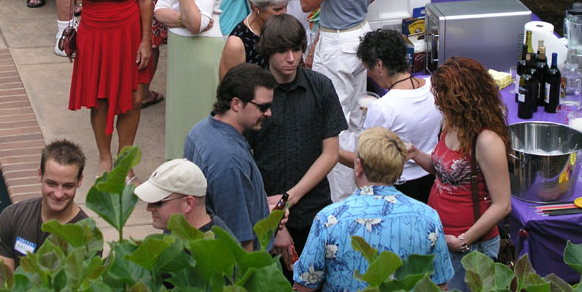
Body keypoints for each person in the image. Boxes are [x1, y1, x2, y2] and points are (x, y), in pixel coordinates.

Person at [292, 0, 399, 201]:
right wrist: (362, 0)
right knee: (352, 117)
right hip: (360, 34)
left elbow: (309, 1)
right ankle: (356, 188)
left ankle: (341, 201)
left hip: (339, 45)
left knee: (333, 127)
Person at [38, 0, 152, 180]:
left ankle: (125, 162)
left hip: (128, 35)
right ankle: (105, 157)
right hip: (95, 36)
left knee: (134, 99)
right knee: (100, 100)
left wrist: (146, 40)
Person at [292, 127, 454, 291]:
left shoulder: (329, 219)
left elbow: (303, 286)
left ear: (359, 166)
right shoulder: (428, 217)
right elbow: (440, 285)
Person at [249, 14, 347, 275]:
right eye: (282, 51)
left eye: (296, 49)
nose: (291, 58)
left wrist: (291, 197)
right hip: (264, 210)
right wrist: (277, 221)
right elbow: (244, 159)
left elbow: (331, 154)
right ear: (268, 51)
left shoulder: (321, 87)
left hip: (314, 210)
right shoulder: (252, 92)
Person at [407, 56, 512, 292]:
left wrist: (463, 240)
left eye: (444, 99)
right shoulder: (450, 124)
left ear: (464, 100)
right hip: (442, 238)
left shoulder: (486, 141)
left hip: (471, 248)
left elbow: (503, 204)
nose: (438, 104)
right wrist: (415, 154)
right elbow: (443, 172)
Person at [154, 0, 228, 159]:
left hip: (202, 52)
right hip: (180, 47)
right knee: (178, 119)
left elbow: (197, 26)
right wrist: (184, 20)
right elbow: (160, 10)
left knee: (198, 119)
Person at [183, 63, 276, 251]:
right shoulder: (229, 160)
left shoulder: (199, 130)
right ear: (236, 104)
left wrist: (263, 209)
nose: (269, 113)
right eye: (262, 107)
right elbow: (240, 243)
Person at [354, 28, 442, 203]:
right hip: (433, 178)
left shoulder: (382, 107)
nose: (368, 74)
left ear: (379, 65)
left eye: (367, 68)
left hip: (399, 186)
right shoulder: (433, 86)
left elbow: (367, 157)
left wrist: (333, 152)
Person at [0, 140, 88, 276]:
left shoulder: (87, 235)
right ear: (40, 175)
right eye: (51, 183)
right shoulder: (12, 217)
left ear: (80, 180)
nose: (58, 194)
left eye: (68, 186)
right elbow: (2, 283)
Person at [218, 0, 291, 79]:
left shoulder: (286, 27)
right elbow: (228, 88)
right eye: (277, 9)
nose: (283, 13)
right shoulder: (237, 43)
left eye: (285, 7)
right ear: (256, 7)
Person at [134, 158, 233, 235]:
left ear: (188, 204)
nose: (149, 208)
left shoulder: (214, 254)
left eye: (158, 202)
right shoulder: (177, 227)